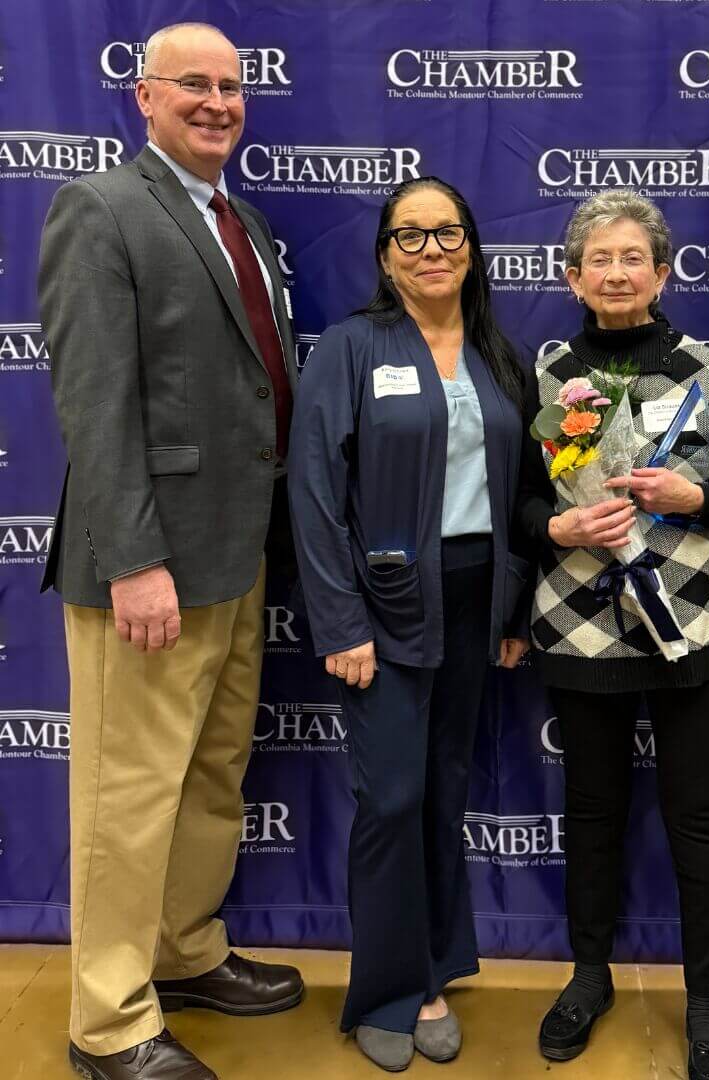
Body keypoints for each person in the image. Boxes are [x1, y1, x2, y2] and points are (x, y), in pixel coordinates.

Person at [38, 21, 304, 1080]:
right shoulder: (100, 209)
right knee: (127, 793)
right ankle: (106, 1021)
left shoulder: (242, 222)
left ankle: (183, 951)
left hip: (237, 557)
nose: (216, 101)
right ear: (143, 97)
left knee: (209, 775)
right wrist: (134, 560)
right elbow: (96, 404)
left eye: (232, 86)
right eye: (191, 83)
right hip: (148, 566)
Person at [517, 189, 709, 1080]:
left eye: (635, 257)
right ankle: (589, 977)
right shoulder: (547, 377)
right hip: (584, 624)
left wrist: (694, 496)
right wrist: (554, 530)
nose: (617, 272)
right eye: (600, 259)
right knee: (591, 815)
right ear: (571, 277)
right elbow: (517, 507)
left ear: (662, 273)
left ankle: (706, 1000)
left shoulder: (704, 367)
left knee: (700, 820)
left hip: (703, 621)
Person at [288, 176, 531, 1072]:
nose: (431, 249)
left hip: (474, 599)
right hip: (383, 607)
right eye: (409, 235)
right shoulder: (353, 348)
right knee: (390, 799)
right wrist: (340, 622)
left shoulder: (501, 353)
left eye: (448, 232)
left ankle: (434, 972)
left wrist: (511, 611)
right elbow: (314, 496)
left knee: (443, 788)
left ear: (471, 245)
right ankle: (389, 990)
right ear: (385, 255)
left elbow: (518, 497)